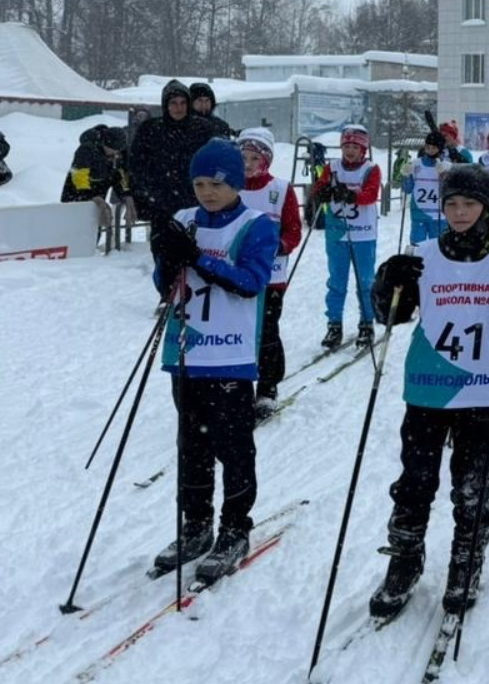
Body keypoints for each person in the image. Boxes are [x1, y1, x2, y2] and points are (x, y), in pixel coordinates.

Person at [366, 165, 489, 618]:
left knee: (470, 485)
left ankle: (465, 558)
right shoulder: (424, 254)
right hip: (427, 387)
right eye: (451, 203)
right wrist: (387, 281)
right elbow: (390, 316)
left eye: (469, 204)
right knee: (415, 482)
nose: (459, 213)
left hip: (480, 390)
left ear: (485, 207)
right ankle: (405, 558)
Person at [147, 139, 281, 583]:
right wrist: (166, 255)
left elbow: (251, 282)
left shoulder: (256, 223)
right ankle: (197, 525)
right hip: (186, 350)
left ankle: (235, 528)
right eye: (199, 183)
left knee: (233, 447)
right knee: (193, 446)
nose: (206, 192)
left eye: (216, 184)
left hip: (231, 354)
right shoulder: (184, 219)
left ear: (236, 182)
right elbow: (164, 284)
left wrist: (199, 258)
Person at [236, 128, 303, 414]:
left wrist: (280, 245)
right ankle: (238, 386)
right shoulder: (229, 186)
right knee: (239, 330)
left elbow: (293, 230)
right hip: (237, 275)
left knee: (266, 331)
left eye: (255, 158)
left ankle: (267, 387)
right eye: (243, 157)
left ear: (267, 160)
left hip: (272, 277)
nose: (248, 164)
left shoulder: (280, 189)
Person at [310, 124, 382, 350]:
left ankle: (366, 323)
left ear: (363, 149)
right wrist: (321, 193)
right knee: (337, 282)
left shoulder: (371, 169)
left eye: (355, 147)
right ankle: (334, 324)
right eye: (346, 146)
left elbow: (371, 195)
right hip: (337, 233)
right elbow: (318, 188)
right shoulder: (331, 168)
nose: (350, 151)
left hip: (363, 234)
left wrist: (351, 194)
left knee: (365, 282)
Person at [128, 80, 218, 233]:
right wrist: (148, 195)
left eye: (183, 103)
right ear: (166, 105)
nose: (179, 108)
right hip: (160, 205)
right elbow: (137, 165)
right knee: (165, 250)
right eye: (174, 103)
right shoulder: (150, 130)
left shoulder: (203, 129)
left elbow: (215, 161)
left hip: (196, 201)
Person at [61, 125, 131, 248]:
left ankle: (91, 251)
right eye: (112, 150)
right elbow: (79, 176)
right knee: (74, 231)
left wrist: (126, 196)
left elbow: (121, 177)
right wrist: (91, 196)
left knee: (95, 229)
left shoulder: (120, 154)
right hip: (77, 196)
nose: (115, 154)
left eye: (118, 151)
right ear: (104, 144)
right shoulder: (87, 150)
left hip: (100, 193)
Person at [403, 129, 470, 245]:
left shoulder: (446, 166)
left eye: (434, 148)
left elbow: (452, 191)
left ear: (440, 149)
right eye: (428, 147)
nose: (430, 150)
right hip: (419, 214)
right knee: (417, 248)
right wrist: (406, 175)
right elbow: (407, 189)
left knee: (439, 249)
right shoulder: (415, 164)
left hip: (440, 215)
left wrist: (444, 176)